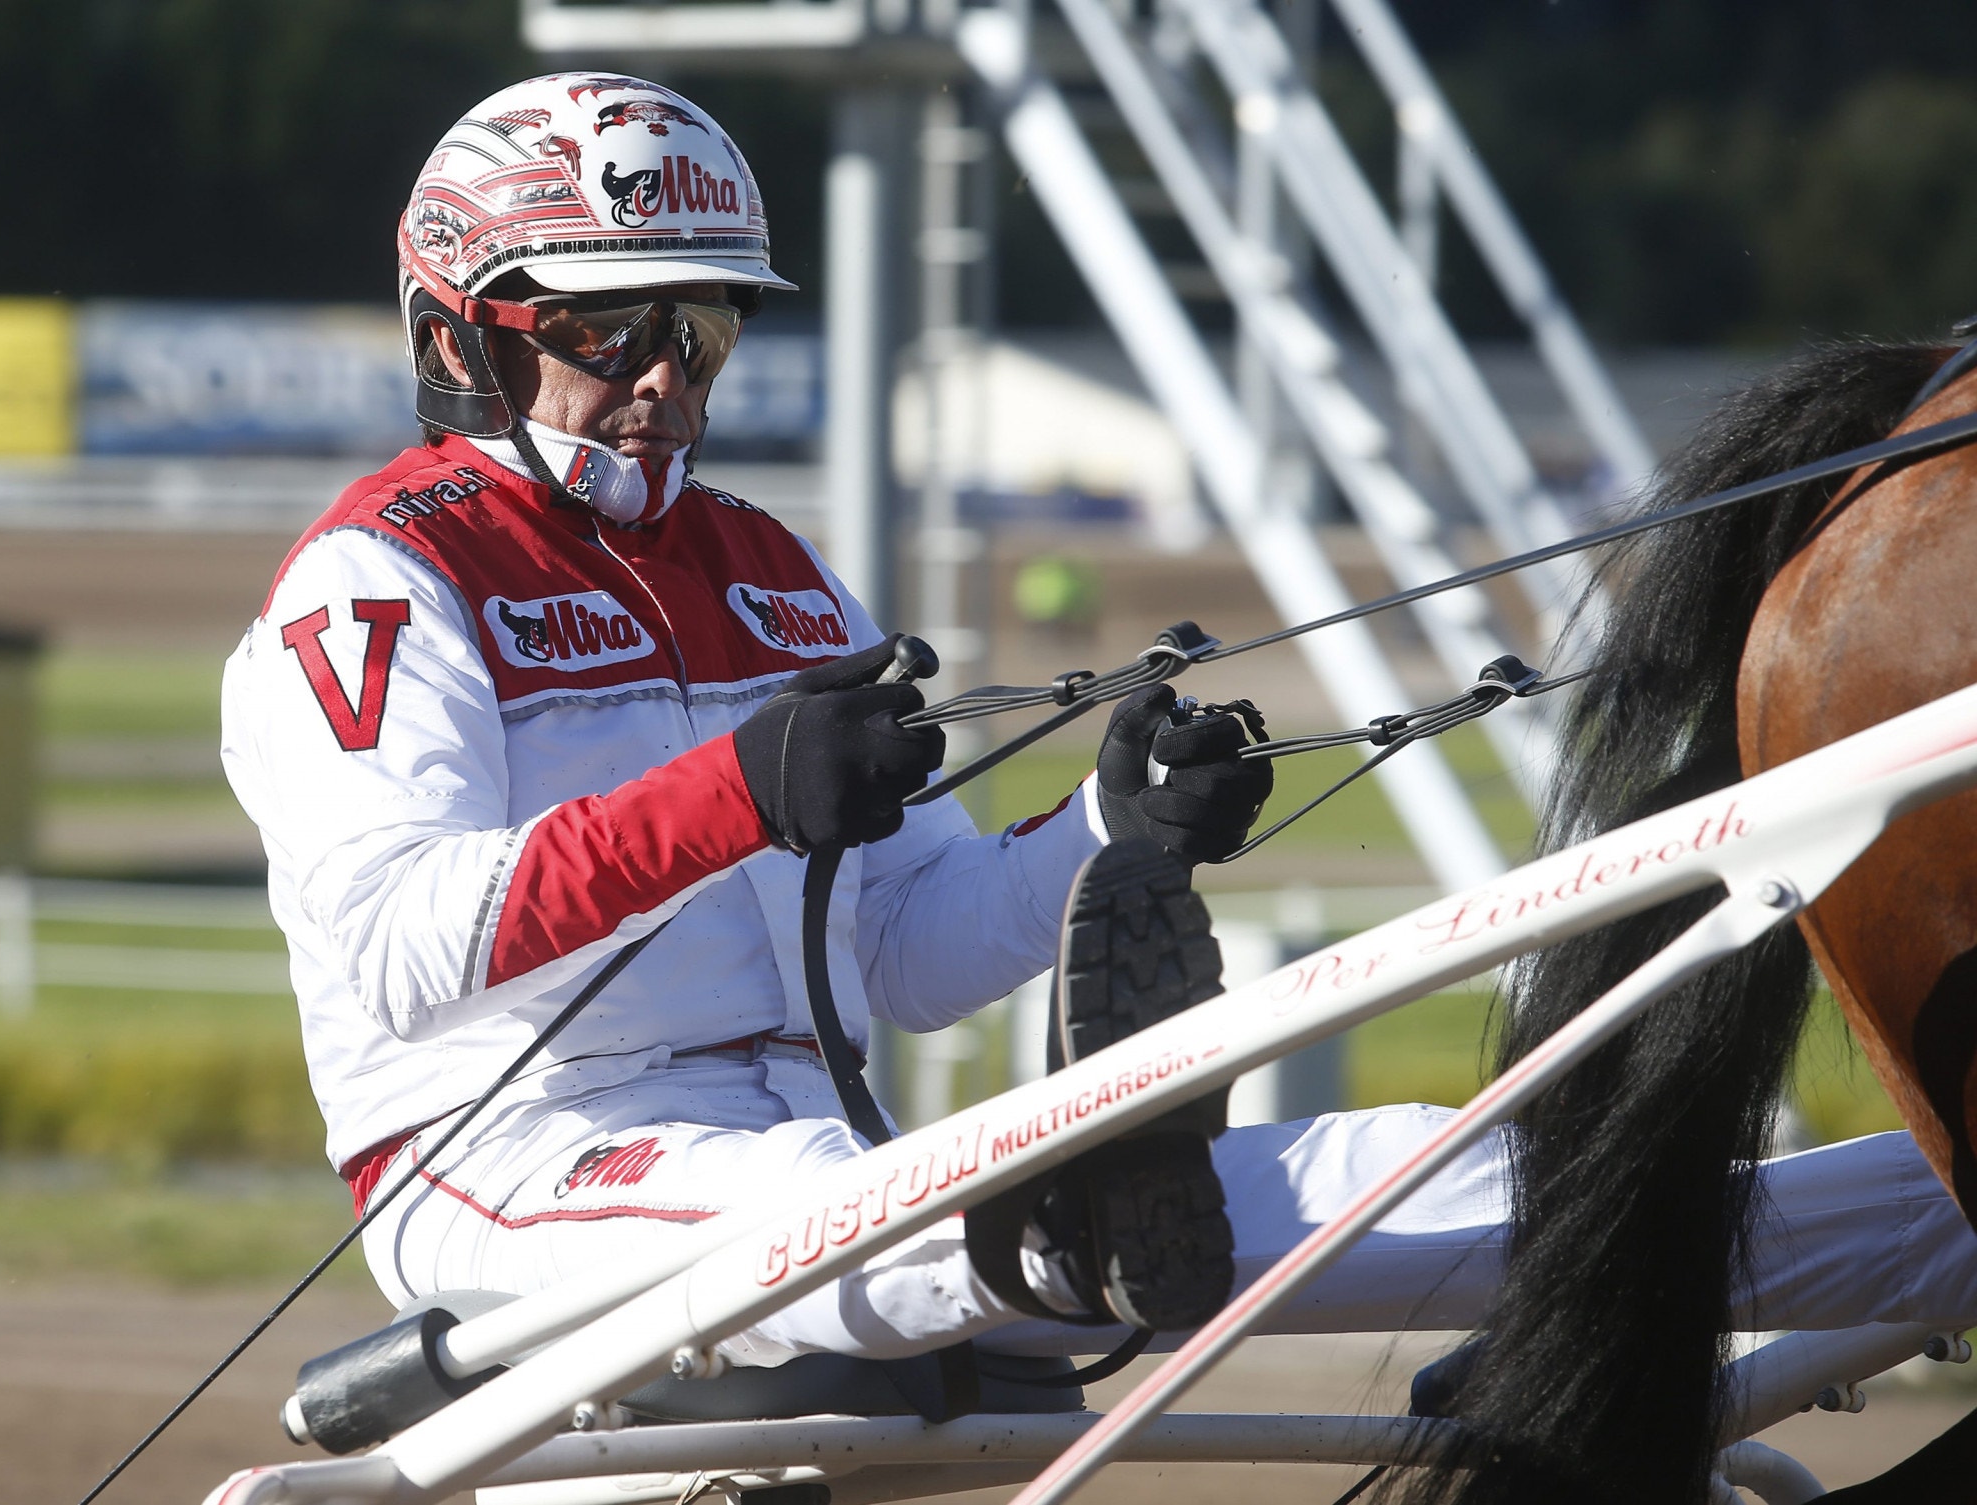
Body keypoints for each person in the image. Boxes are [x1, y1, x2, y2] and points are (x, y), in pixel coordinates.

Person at [223, 74, 1977, 1375]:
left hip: (823, 1165)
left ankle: (1937, 1219)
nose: (673, 373)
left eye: (705, 327)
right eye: (620, 329)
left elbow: (903, 952)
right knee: (934, 1206)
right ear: (469, 331)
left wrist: (1104, 837)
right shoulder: (379, 585)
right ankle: (1060, 1226)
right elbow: (392, 945)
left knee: (1421, 1164)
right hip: (518, 1172)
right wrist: (738, 795)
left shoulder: (767, 570)